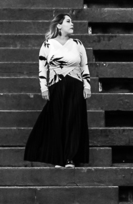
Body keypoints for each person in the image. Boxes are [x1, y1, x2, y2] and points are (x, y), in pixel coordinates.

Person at [23, 13, 91, 168]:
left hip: (75, 85)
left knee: (73, 121)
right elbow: (42, 67)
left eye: (72, 21)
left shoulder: (78, 44)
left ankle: (70, 158)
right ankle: (58, 158)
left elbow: (84, 65)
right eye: (68, 21)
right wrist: (44, 87)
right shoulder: (48, 44)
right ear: (59, 25)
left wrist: (87, 85)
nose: (72, 24)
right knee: (57, 120)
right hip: (56, 86)